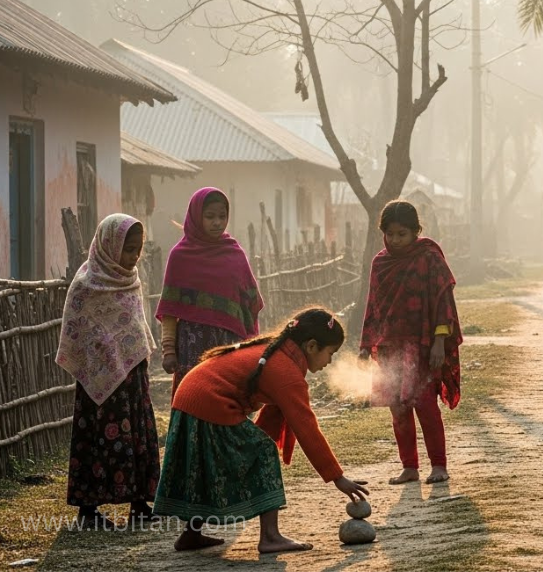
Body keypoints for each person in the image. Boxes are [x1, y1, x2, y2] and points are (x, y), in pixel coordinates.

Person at [154, 307, 370, 553]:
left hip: (188, 398)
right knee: (264, 451)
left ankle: (190, 535)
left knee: (205, 465)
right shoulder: (286, 371)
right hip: (208, 402)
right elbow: (306, 428)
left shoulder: (278, 354)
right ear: (311, 346)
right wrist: (337, 477)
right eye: (330, 353)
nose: (330, 361)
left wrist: (250, 452)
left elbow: (269, 423)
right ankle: (270, 537)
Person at [55, 214, 161, 529]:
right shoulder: (86, 284)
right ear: (110, 245)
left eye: (137, 250)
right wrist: (103, 357)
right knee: (96, 439)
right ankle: (88, 511)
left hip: (132, 380)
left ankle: (140, 504)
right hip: (97, 385)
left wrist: (133, 357)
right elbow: (78, 331)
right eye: (128, 249)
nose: (133, 257)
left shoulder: (131, 280)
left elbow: (135, 326)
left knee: (136, 436)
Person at [359, 200, 462, 485]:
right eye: (390, 234)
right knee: (398, 408)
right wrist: (367, 345)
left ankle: (438, 465)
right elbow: (373, 306)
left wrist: (440, 342)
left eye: (402, 234)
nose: (395, 240)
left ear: (416, 231)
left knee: (425, 404)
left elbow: (443, 303)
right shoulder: (380, 263)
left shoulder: (429, 258)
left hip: (422, 345)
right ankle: (409, 467)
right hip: (390, 346)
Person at [158, 188, 263, 398]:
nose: (217, 222)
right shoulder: (180, 257)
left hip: (229, 345)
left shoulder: (235, 254)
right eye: (210, 216)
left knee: (227, 401)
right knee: (195, 400)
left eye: (222, 216)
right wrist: (169, 350)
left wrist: (251, 345)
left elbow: (250, 304)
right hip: (192, 348)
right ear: (197, 217)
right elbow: (170, 310)